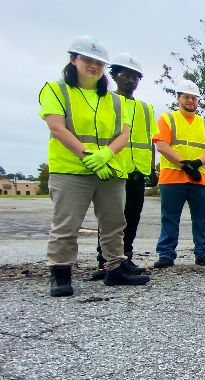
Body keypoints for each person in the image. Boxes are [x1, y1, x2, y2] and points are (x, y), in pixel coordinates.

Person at [39, 35, 150, 296]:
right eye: (88, 60)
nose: (94, 67)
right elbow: (57, 128)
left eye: (99, 63)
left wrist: (106, 155)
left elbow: (123, 134)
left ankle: (114, 268)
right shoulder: (56, 90)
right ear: (73, 59)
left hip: (110, 170)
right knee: (67, 224)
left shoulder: (112, 100)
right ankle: (61, 272)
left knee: (114, 224)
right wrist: (88, 155)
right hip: (71, 170)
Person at [91, 53, 156, 280]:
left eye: (135, 77)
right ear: (115, 76)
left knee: (132, 216)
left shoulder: (146, 109)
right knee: (111, 219)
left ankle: (124, 258)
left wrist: (152, 169)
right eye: (126, 75)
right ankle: (105, 262)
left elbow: (150, 139)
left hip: (137, 170)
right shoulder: (106, 101)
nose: (131, 80)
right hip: (115, 169)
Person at [153, 79, 205, 268]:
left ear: (198, 101)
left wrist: (197, 163)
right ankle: (166, 254)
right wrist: (184, 165)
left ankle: (202, 253)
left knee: (201, 218)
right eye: (186, 97)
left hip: (200, 180)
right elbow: (161, 145)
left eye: (194, 98)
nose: (190, 101)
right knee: (170, 217)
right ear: (179, 98)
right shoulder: (167, 119)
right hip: (172, 178)